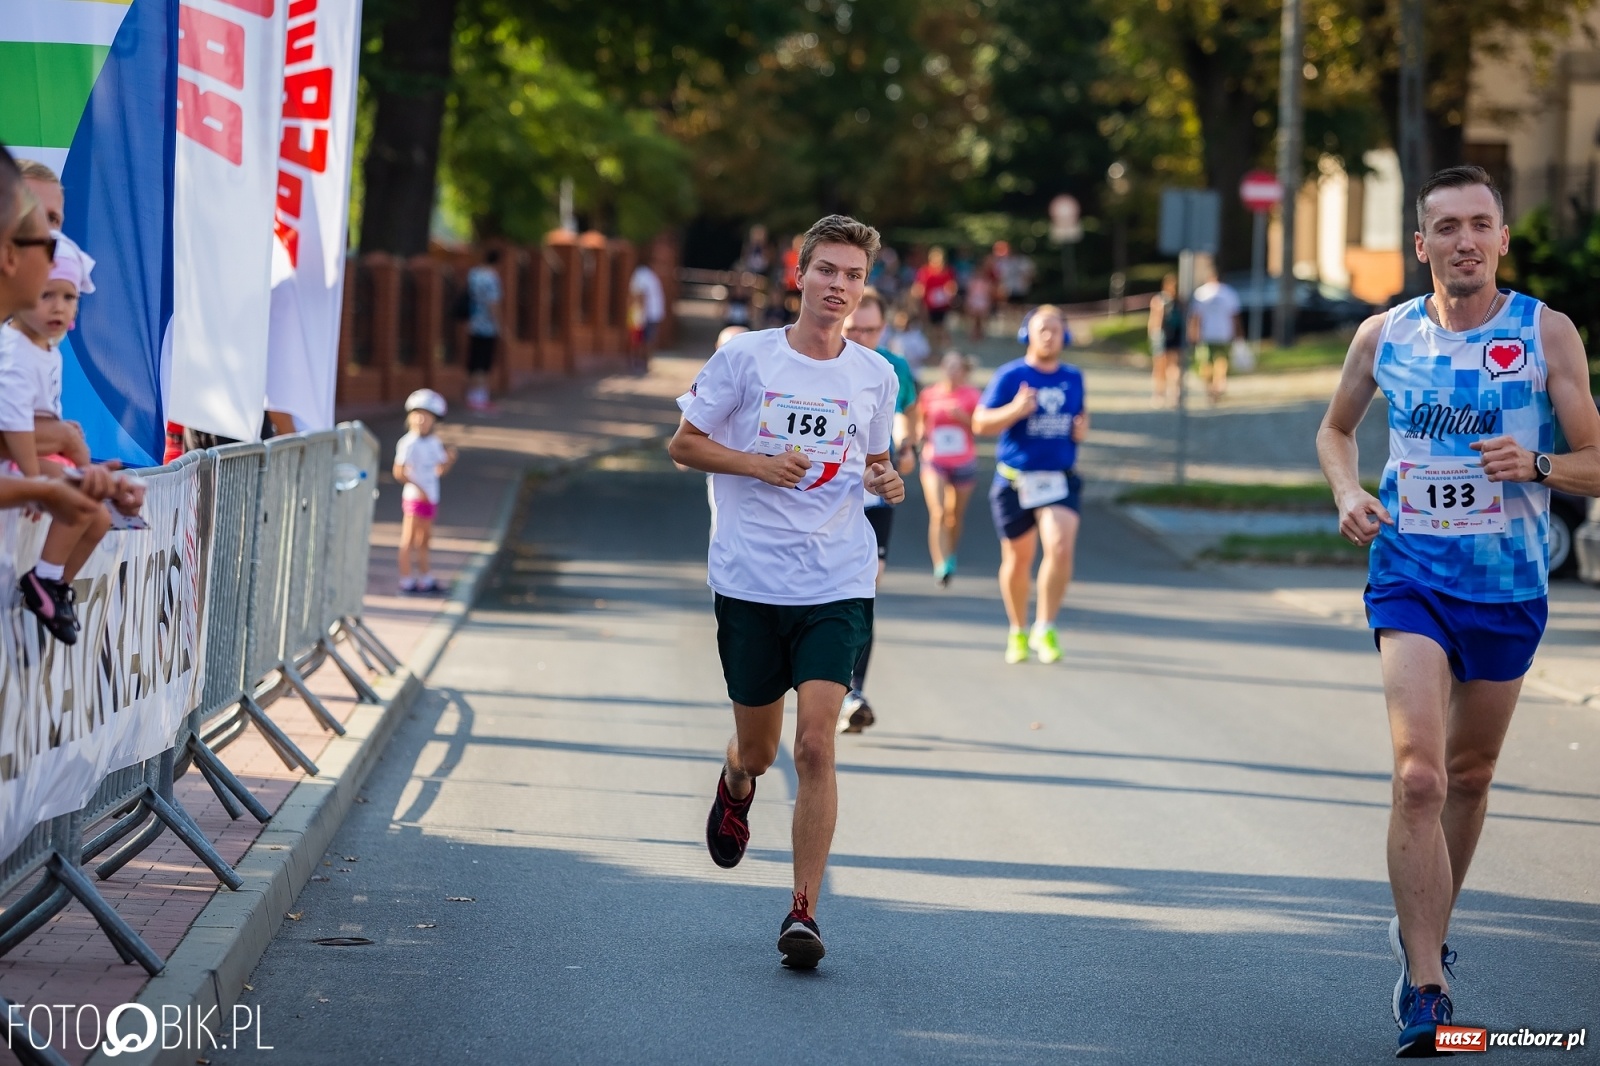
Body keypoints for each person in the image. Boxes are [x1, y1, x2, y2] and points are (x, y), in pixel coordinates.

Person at [1316, 165, 1600, 1058]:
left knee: (1470, 777)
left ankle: (1426, 933)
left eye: (1480, 224)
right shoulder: (1384, 334)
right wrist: (1348, 492)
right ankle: (1427, 984)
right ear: (1422, 244)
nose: (1465, 240)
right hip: (1410, 574)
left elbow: (1596, 460)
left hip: (1509, 586)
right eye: (1447, 227)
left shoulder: (1545, 332)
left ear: (1502, 239)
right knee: (1421, 777)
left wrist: (1540, 466)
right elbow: (1335, 429)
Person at [667, 214, 903, 969]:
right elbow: (683, 445)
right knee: (763, 750)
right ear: (799, 275)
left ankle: (803, 911)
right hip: (750, 579)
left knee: (815, 744)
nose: (839, 286)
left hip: (837, 579)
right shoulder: (746, 359)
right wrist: (755, 464)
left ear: (864, 288)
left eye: (854, 275)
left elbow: (875, 459)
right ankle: (736, 778)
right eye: (827, 270)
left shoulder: (876, 374)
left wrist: (888, 479)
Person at [0, 233, 110, 642]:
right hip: (16, 460)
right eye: (47, 295)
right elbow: (15, 426)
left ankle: (50, 581)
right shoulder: (14, 351)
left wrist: (68, 443)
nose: (59, 307)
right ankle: (44, 581)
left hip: (34, 454)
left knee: (100, 518)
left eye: (69, 297)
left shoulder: (48, 350)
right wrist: (34, 483)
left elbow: (46, 416)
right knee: (80, 502)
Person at [973, 305, 1089, 665]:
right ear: (1028, 334)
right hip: (1015, 481)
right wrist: (1015, 410)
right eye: (1042, 329)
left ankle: (1045, 626)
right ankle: (1018, 629)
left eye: (1056, 329)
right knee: (1018, 559)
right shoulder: (1011, 376)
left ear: (1065, 335)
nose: (1049, 336)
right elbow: (980, 424)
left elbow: (1079, 417)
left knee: (1060, 546)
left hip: (1059, 480)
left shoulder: (1074, 377)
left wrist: (1081, 430)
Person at [837, 287, 920, 735]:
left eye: (870, 330)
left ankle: (853, 691)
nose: (862, 338)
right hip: (825, 494)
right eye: (854, 329)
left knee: (865, 588)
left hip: (873, 490)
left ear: (883, 328)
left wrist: (907, 446)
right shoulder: (824, 362)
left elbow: (907, 411)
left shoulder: (893, 367)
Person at [919, 350, 982, 585]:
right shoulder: (929, 394)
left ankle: (951, 555)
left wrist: (963, 417)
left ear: (964, 371)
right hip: (934, 460)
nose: (952, 371)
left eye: (957, 367)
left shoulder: (973, 395)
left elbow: (981, 427)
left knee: (954, 516)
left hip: (963, 461)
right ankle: (940, 564)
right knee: (938, 512)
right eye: (948, 366)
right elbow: (921, 423)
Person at [393, 389, 457, 594]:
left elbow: (439, 470)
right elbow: (399, 472)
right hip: (415, 498)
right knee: (409, 539)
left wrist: (449, 460)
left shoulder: (434, 442)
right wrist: (419, 489)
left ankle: (425, 577)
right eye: (417, 415)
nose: (421, 420)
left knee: (425, 539)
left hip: (431, 497)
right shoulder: (408, 443)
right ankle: (406, 580)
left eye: (426, 416)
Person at [1188, 264, 1241, 404]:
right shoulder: (1228, 292)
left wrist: (1193, 333)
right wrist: (1238, 333)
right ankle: (1219, 386)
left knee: (1206, 363)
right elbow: (1234, 316)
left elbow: (1196, 317)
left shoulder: (1201, 293)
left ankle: (1210, 389)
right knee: (1221, 362)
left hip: (1206, 334)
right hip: (1224, 333)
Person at [465, 248, 502, 412]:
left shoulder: (473, 274)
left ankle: (472, 395)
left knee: (474, 361)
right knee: (484, 363)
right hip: (487, 326)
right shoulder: (492, 278)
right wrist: (499, 324)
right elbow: (493, 303)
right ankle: (480, 397)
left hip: (473, 323)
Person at [912, 246, 959, 352]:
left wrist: (951, 292)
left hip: (943, 306)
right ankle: (932, 349)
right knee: (930, 328)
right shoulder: (925, 271)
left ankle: (943, 349)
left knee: (942, 328)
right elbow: (919, 286)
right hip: (928, 305)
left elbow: (952, 285)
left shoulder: (947, 272)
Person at [1148, 273, 1184, 406]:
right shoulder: (1180, 301)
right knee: (1174, 366)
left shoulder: (1158, 300)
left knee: (1159, 367)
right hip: (1176, 335)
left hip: (1161, 335)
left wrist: (1152, 335)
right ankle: (1175, 393)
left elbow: (1155, 320)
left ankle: (1159, 394)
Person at [628, 258, 665, 372]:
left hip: (648, 313)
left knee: (643, 339)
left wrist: (640, 313)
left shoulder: (643, 275)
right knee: (644, 338)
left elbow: (641, 294)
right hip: (651, 312)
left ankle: (641, 361)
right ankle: (642, 361)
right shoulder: (648, 275)